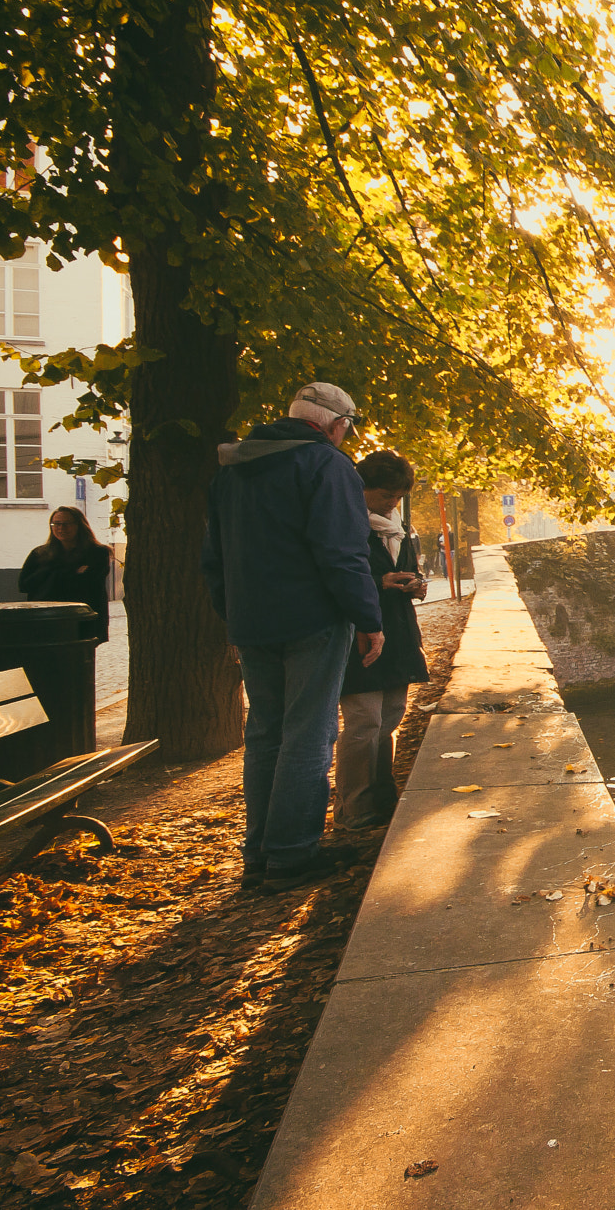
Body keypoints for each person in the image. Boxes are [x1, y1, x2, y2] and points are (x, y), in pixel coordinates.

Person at [201, 382, 384, 893]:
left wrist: (233, 616)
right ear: (334, 424)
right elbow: (342, 553)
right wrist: (369, 618)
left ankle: (258, 853)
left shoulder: (231, 470)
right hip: (312, 620)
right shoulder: (327, 466)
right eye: (347, 429)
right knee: (309, 733)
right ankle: (290, 856)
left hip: (252, 623)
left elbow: (213, 559)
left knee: (264, 734)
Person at [333, 450, 429, 830]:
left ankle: (382, 796)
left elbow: (406, 567)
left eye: (397, 497)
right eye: (386, 495)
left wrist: (415, 584)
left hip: (398, 632)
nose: (392, 503)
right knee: (363, 722)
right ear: (364, 489)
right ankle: (352, 807)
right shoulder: (342, 523)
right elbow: (335, 577)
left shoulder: (399, 525)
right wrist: (379, 583)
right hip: (360, 633)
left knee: (389, 718)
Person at [19, 506, 114, 641]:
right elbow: (24, 585)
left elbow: (87, 583)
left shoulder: (97, 552)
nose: (61, 528)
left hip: (83, 623)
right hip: (46, 623)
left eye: (66, 524)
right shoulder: (39, 554)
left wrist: (48, 577)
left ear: (79, 525)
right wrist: (68, 571)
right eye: (56, 524)